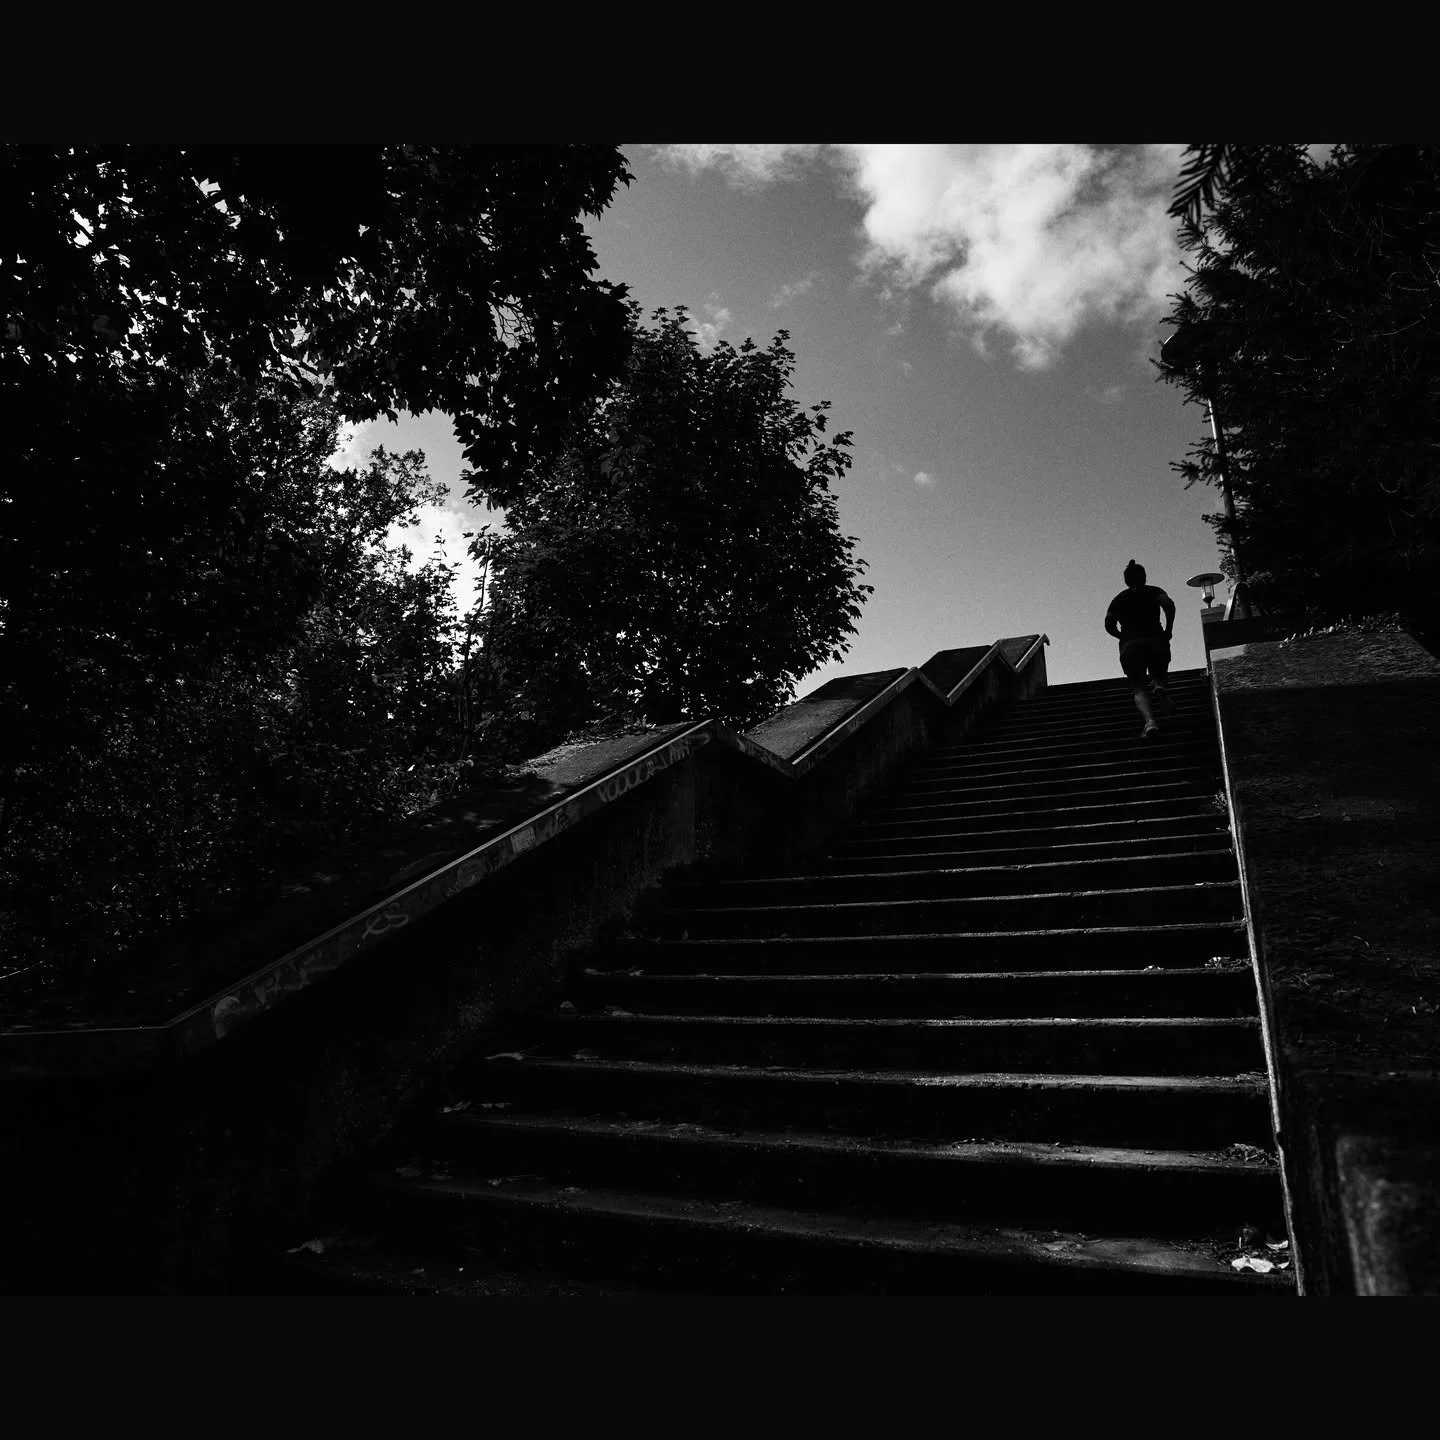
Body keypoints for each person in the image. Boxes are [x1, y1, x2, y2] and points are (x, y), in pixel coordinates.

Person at [1104, 560, 1177, 739]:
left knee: (1138, 686)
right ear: (1144, 577)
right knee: (1159, 672)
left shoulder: (1119, 599)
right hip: (1155, 640)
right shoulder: (1155, 591)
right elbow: (1168, 604)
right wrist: (1168, 629)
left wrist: (1121, 636)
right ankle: (1159, 685)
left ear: (1126, 581)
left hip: (1131, 645)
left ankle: (1150, 722)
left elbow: (1108, 623)